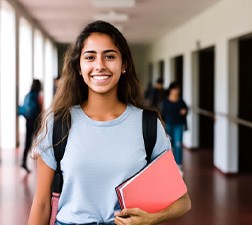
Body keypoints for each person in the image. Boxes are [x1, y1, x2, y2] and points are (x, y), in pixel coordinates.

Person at [28, 21, 191, 225]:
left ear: (124, 65)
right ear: (79, 67)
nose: (100, 65)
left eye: (110, 56)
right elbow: (42, 203)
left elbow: (183, 201)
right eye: (90, 57)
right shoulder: (59, 123)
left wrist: (152, 218)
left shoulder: (147, 125)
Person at [161, 81, 188, 175]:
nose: (176, 91)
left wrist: (185, 111)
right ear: (171, 90)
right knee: (169, 146)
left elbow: (186, 109)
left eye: (177, 89)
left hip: (179, 125)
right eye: (174, 89)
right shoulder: (165, 101)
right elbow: (162, 114)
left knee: (178, 144)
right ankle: (170, 165)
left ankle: (179, 165)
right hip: (169, 125)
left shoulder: (181, 101)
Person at [21, 79, 43, 173]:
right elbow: (40, 110)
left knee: (27, 142)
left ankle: (24, 162)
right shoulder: (37, 96)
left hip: (28, 121)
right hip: (35, 122)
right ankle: (40, 163)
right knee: (38, 142)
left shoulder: (28, 95)